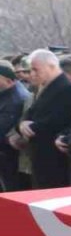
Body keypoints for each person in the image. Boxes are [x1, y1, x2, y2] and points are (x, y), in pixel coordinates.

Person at [16, 50, 71, 188]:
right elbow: (30, 113)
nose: (32, 74)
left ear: (51, 66)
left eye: (35, 69)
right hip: (39, 155)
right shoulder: (45, 88)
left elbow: (58, 120)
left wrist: (31, 127)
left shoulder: (67, 89)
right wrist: (22, 125)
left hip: (54, 157)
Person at [0, 63, 31, 191]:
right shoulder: (5, 94)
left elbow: (3, 128)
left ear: (9, 80)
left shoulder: (16, 98)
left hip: (9, 154)